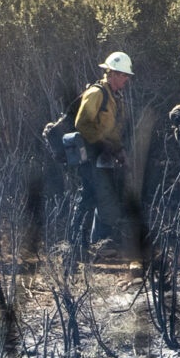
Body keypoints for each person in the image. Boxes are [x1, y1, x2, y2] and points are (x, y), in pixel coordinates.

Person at [72, 51, 134, 257]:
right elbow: (82, 123)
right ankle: (76, 246)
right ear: (113, 73)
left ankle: (99, 244)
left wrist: (119, 150)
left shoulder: (116, 97)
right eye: (124, 75)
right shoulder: (97, 93)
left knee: (104, 197)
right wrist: (102, 144)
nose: (126, 79)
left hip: (104, 155)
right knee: (89, 198)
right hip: (91, 154)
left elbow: (114, 130)